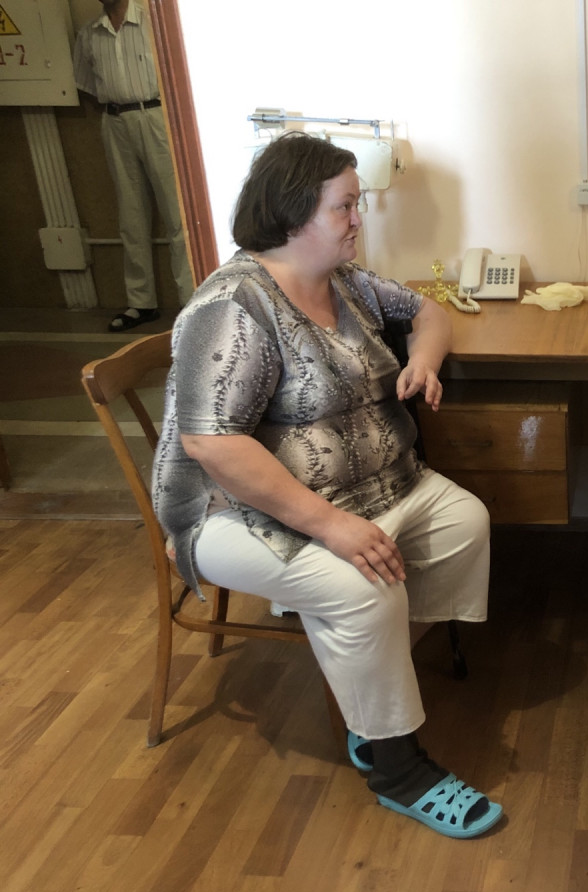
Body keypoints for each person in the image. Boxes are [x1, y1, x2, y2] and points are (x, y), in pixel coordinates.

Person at [150, 132, 502, 838]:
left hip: (374, 487)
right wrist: (331, 526)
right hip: (236, 514)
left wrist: (424, 362)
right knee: (362, 589)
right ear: (292, 213)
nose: (357, 218)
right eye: (344, 205)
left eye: (356, 203)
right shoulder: (232, 308)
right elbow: (210, 443)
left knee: (465, 521)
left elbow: (428, 312)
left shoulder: (343, 280)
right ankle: (396, 767)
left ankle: (370, 683)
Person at [73, 0, 194, 332]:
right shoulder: (89, 35)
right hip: (114, 120)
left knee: (177, 213)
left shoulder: (155, 24)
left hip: (157, 116)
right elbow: (88, 84)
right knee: (131, 214)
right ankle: (141, 302)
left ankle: (190, 300)